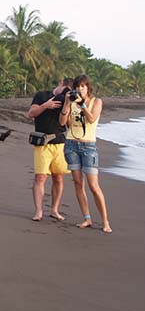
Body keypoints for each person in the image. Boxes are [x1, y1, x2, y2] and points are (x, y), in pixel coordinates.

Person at [59, 74, 112, 233]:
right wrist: (67, 104)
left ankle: (105, 221)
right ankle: (87, 218)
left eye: (83, 86)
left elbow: (91, 119)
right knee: (77, 183)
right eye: (77, 86)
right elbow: (62, 123)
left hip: (88, 146)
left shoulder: (96, 102)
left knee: (93, 186)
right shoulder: (72, 101)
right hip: (71, 144)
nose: (80, 89)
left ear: (88, 87)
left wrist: (82, 104)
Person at [28, 78, 73, 222]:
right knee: (40, 177)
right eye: (65, 89)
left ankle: (54, 210)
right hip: (43, 143)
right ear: (60, 83)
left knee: (58, 177)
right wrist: (46, 105)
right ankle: (38, 211)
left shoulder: (68, 101)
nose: (66, 92)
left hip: (59, 143)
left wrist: (67, 103)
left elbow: (67, 124)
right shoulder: (42, 95)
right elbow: (31, 113)